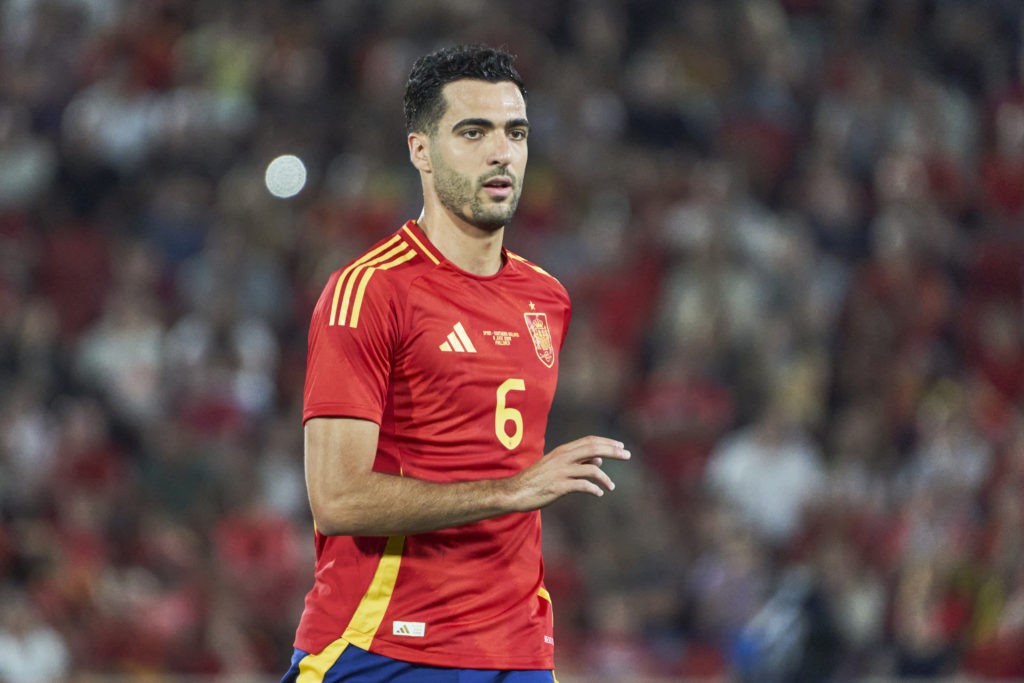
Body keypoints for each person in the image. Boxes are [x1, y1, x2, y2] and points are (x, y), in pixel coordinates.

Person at [281, 44, 631, 683]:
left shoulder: (546, 297)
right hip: (381, 645)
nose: (502, 152)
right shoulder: (369, 291)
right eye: (473, 132)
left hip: (517, 651)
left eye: (515, 132)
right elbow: (335, 498)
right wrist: (517, 491)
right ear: (421, 150)